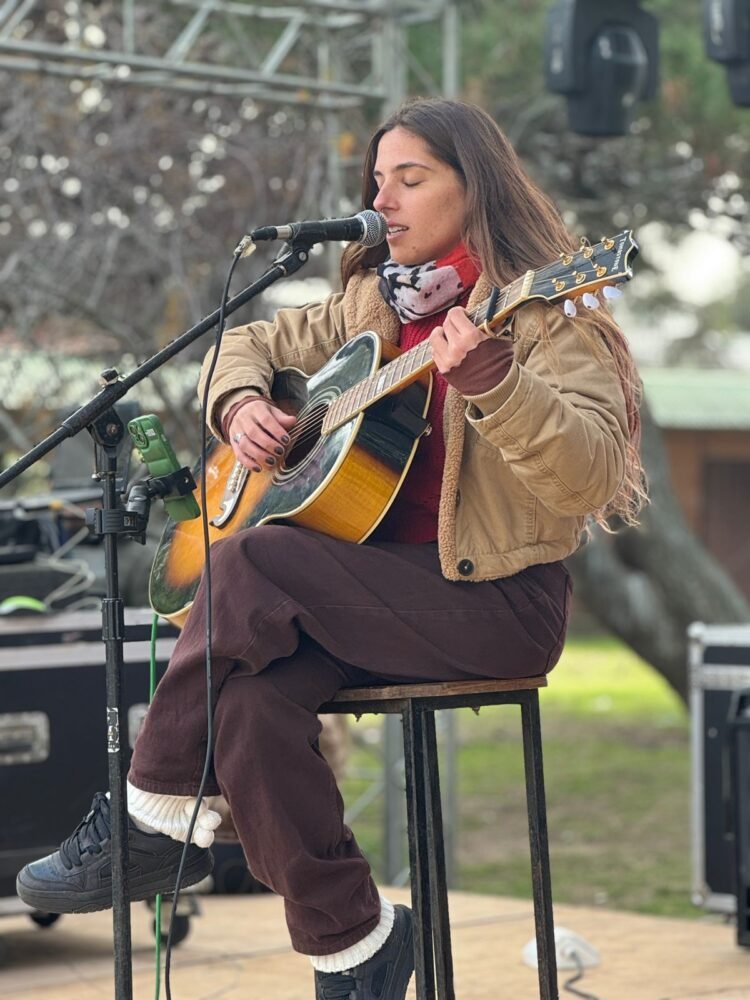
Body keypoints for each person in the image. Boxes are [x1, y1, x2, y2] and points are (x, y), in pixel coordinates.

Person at [16, 97, 645, 999]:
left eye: (411, 179)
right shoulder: (366, 307)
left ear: (477, 190)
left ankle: (148, 810)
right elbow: (240, 342)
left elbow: (588, 477)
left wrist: (497, 383)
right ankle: (356, 943)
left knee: (248, 562)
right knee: (249, 711)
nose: (383, 200)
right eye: (376, 181)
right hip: (356, 602)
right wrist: (240, 405)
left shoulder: (549, 314)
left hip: (493, 605)